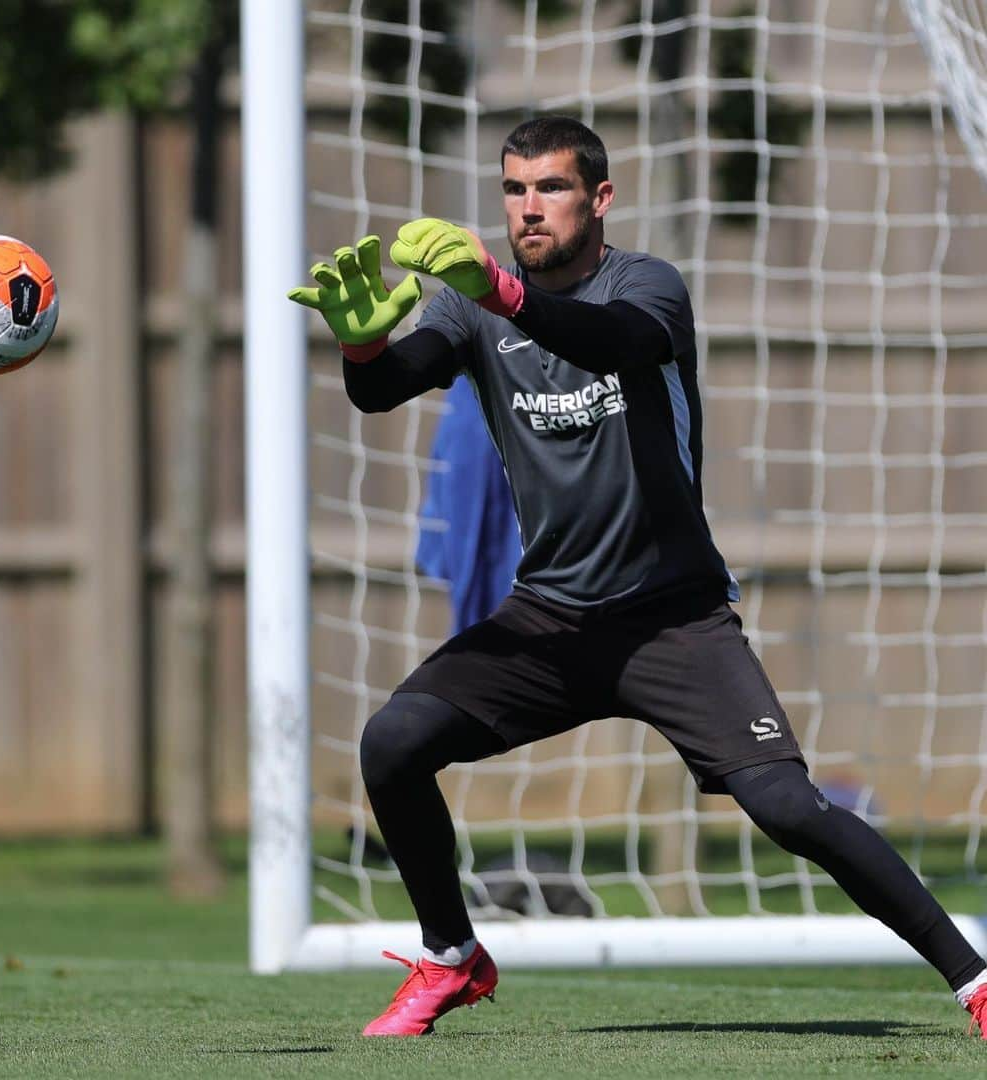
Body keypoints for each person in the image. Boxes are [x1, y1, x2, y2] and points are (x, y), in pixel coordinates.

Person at [287, 115, 987, 1040]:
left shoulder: (647, 288)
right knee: (393, 743)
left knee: (788, 808)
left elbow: (607, 341)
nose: (528, 208)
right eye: (513, 190)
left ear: (599, 199)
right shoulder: (467, 308)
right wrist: (363, 345)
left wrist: (498, 292)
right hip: (552, 620)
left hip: (675, 621)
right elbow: (382, 389)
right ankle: (453, 957)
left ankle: (975, 979)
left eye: (550, 188)